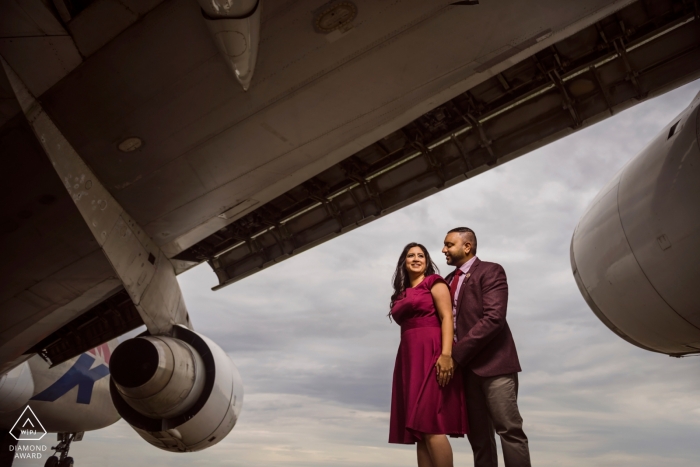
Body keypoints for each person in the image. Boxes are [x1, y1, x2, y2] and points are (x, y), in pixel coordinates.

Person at [441, 227, 531, 467]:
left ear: (467, 246)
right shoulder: (446, 282)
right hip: (466, 373)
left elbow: (494, 319)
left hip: (495, 366)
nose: (444, 250)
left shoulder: (491, 271)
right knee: (479, 439)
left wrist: (455, 355)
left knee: (509, 431)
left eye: (449, 245)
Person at [388, 242, 469, 467]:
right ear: (403, 262)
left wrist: (445, 355)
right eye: (411, 255)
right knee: (421, 428)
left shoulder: (434, 282)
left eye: (421, 255)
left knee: (431, 423)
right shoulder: (401, 294)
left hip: (433, 352)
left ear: (426, 260)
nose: (416, 259)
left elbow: (447, 319)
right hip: (408, 358)